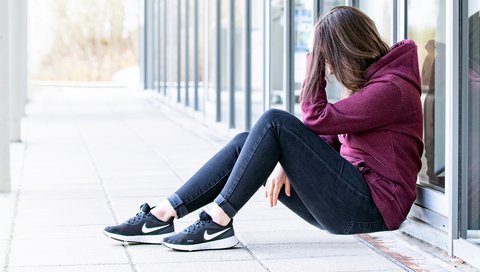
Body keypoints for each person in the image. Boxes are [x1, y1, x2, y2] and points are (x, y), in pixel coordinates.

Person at [103, 6, 423, 251]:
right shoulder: (376, 85)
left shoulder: (391, 89)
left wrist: (313, 60)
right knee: (248, 142)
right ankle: (163, 214)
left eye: (327, 61)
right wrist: (287, 160)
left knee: (274, 121)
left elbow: (316, 118)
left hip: (371, 209)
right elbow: (327, 136)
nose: (330, 72)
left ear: (347, 52)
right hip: (349, 201)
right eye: (323, 65)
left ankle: (217, 221)